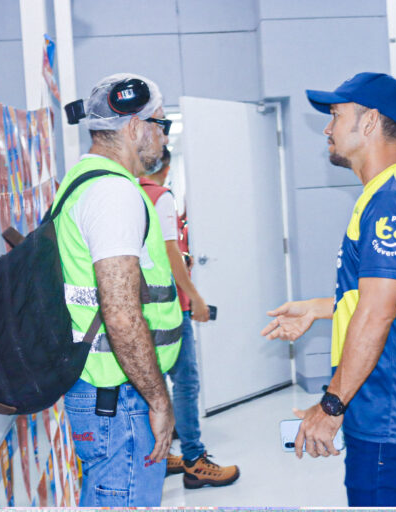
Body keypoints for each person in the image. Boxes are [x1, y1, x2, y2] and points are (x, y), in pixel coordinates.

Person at [262, 72, 396, 507]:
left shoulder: (391, 202)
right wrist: (316, 308)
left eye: (335, 115)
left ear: (369, 122)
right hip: (385, 405)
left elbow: (378, 314)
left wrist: (330, 407)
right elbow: (385, 297)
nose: (327, 128)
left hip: (392, 411)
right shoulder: (389, 192)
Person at [57, 73, 183, 506]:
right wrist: (158, 399)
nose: (163, 138)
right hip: (120, 400)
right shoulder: (112, 193)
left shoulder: (84, 181)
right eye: (160, 125)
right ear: (134, 128)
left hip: (105, 395)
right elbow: (122, 314)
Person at [138, 146, 240, 489]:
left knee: (151, 384)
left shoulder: (130, 194)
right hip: (170, 307)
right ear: (165, 167)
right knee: (186, 381)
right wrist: (194, 296)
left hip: (141, 308)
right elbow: (168, 253)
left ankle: (163, 453)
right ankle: (195, 459)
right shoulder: (160, 197)